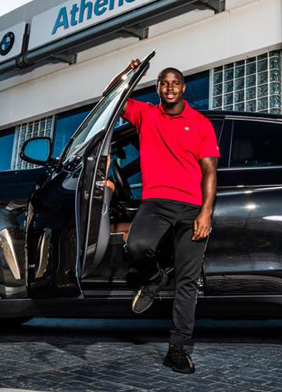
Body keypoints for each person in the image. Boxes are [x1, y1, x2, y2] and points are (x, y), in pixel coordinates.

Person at [107, 58, 219, 374]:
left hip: (191, 207)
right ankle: (154, 279)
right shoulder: (145, 114)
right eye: (163, 82)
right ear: (157, 87)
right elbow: (111, 97)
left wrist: (205, 213)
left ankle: (177, 348)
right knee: (137, 246)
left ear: (183, 88)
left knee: (187, 281)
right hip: (155, 202)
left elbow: (210, 171)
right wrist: (127, 73)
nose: (169, 87)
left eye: (175, 83)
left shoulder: (200, 123)